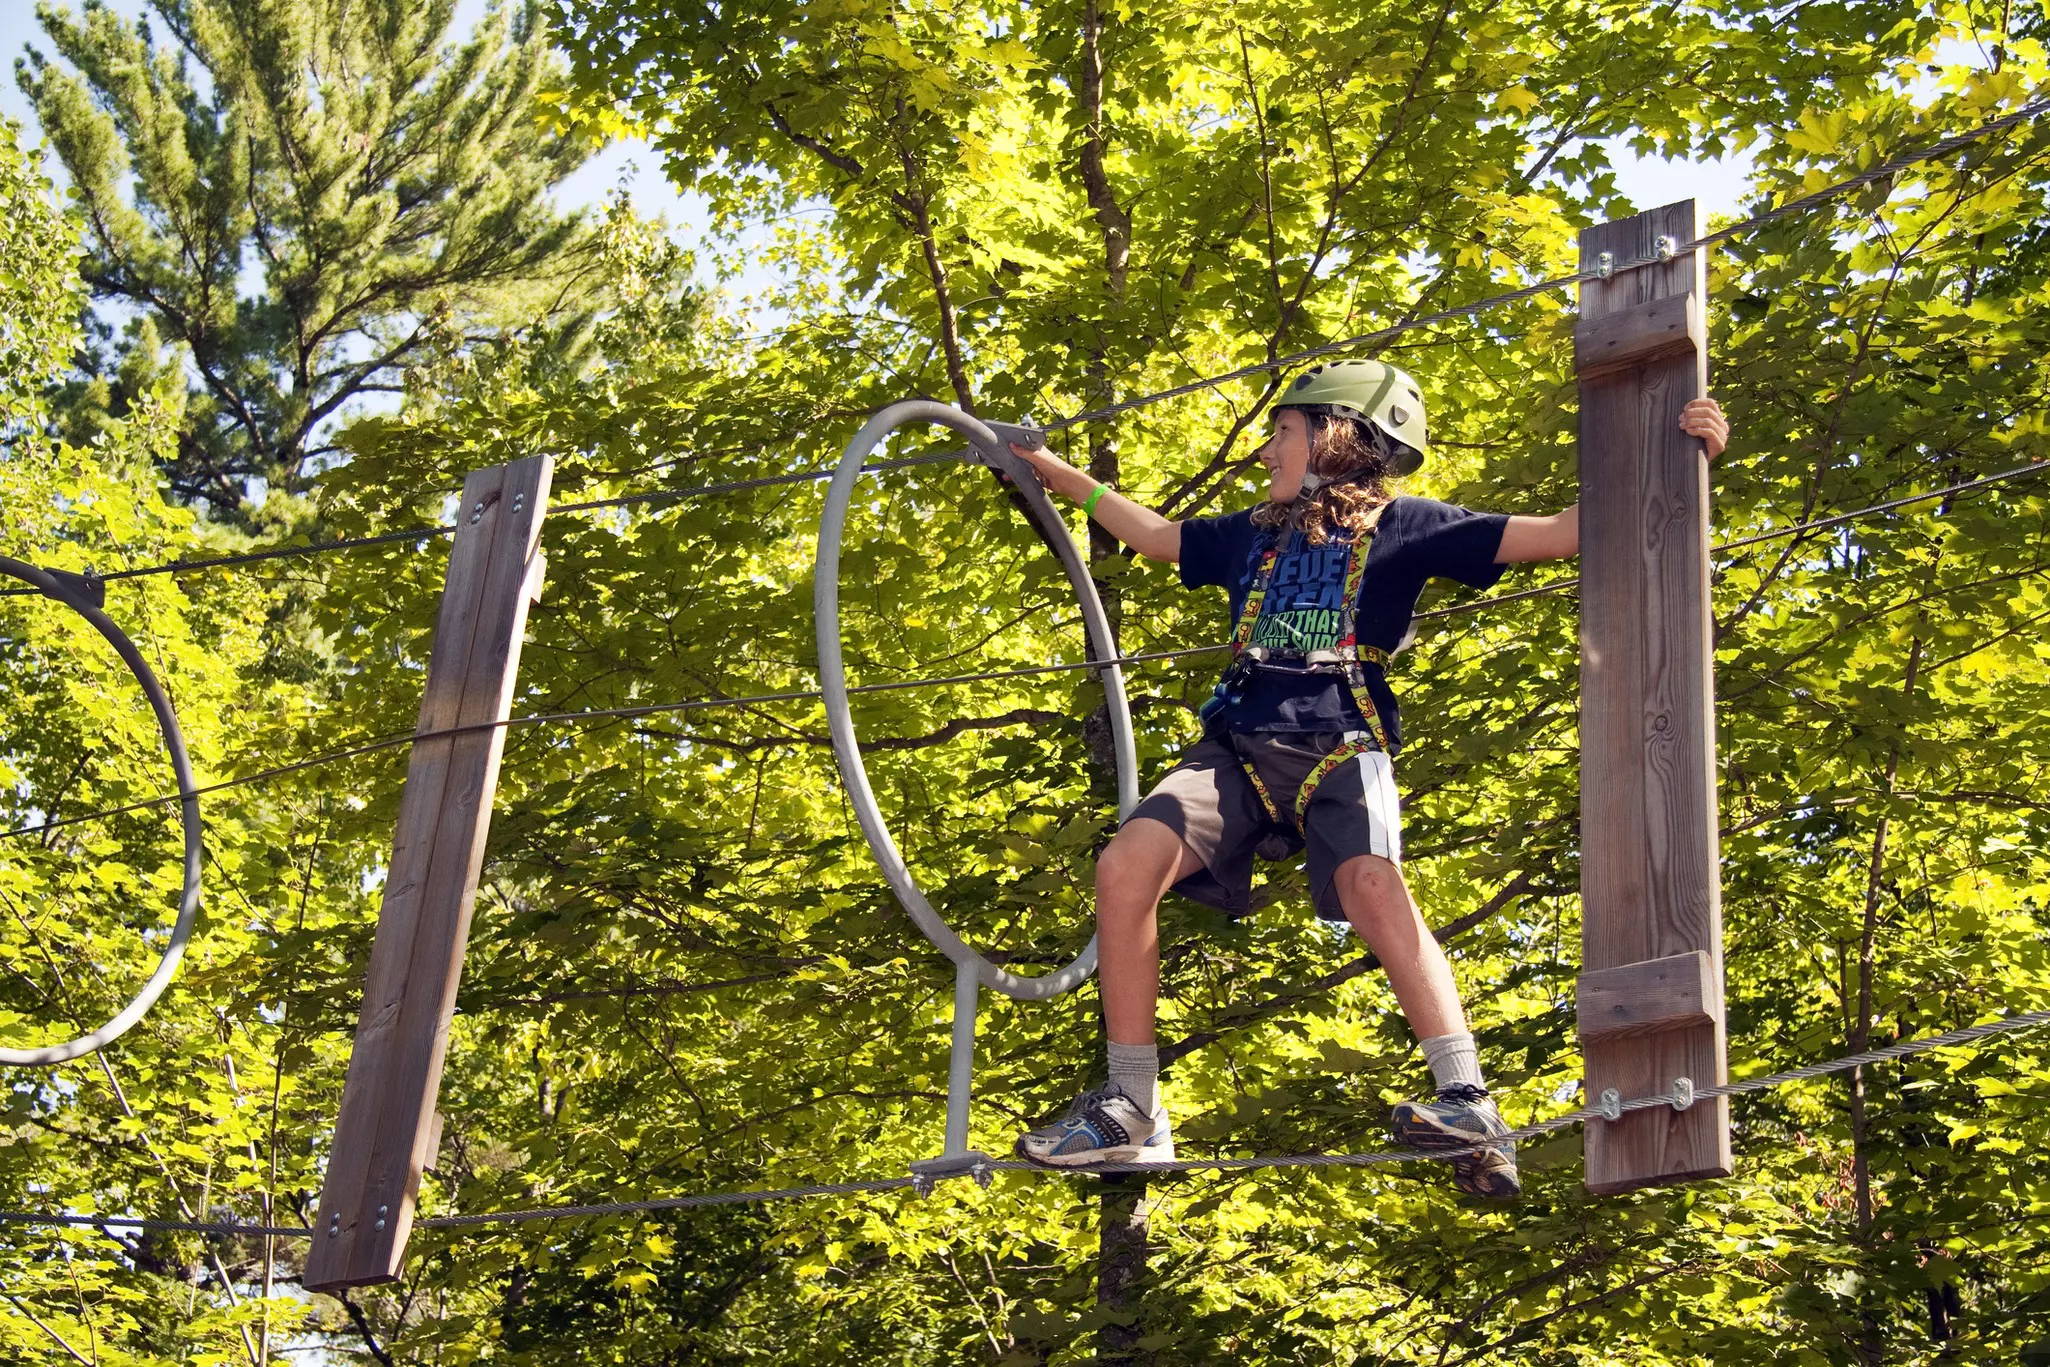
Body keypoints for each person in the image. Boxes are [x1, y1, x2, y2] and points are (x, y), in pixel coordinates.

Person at [1008, 359, 1729, 1197]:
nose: (1265, 449)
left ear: (1333, 436)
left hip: (1340, 744)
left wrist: (1682, 459)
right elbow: (1159, 536)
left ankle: (1467, 1095)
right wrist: (1055, 473)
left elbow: (1566, 529)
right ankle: (1132, 1105)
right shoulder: (1252, 532)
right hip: (1239, 749)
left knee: (1372, 885)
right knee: (1124, 865)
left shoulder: (1409, 525)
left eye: (1281, 431)